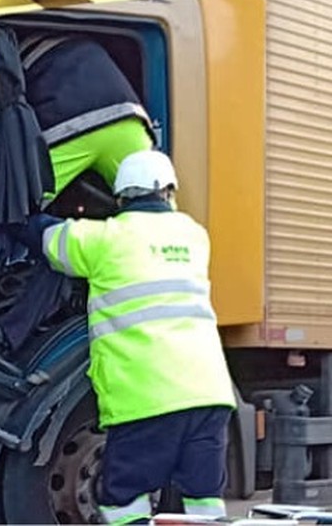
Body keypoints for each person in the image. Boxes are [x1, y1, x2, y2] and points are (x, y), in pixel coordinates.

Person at [22, 150, 235, 524]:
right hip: (209, 396)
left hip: (146, 398)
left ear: (120, 199)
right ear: (169, 193)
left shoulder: (105, 239)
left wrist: (20, 213)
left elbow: (48, 240)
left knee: (123, 501)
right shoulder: (196, 237)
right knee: (204, 502)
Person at [19, 31, 155, 200]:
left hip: (72, 129)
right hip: (127, 122)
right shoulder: (87, 44)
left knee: (19, 206)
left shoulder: (10, 50)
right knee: (153, 203)